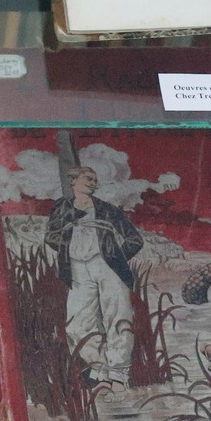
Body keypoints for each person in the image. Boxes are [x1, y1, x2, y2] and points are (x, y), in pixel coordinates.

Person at [44, 166, 143, 388]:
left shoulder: (107, 209)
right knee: (77, 324)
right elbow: (50, 236)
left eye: (95, 180)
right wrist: (68, 245)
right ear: (73, 180)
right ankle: (99, 372)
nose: (92, 183)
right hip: (77, 268)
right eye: (88, 178)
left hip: (108, 268)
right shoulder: (62, 207)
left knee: (118, 318)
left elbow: (135, 240)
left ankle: (119, 375)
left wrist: (115, 258)